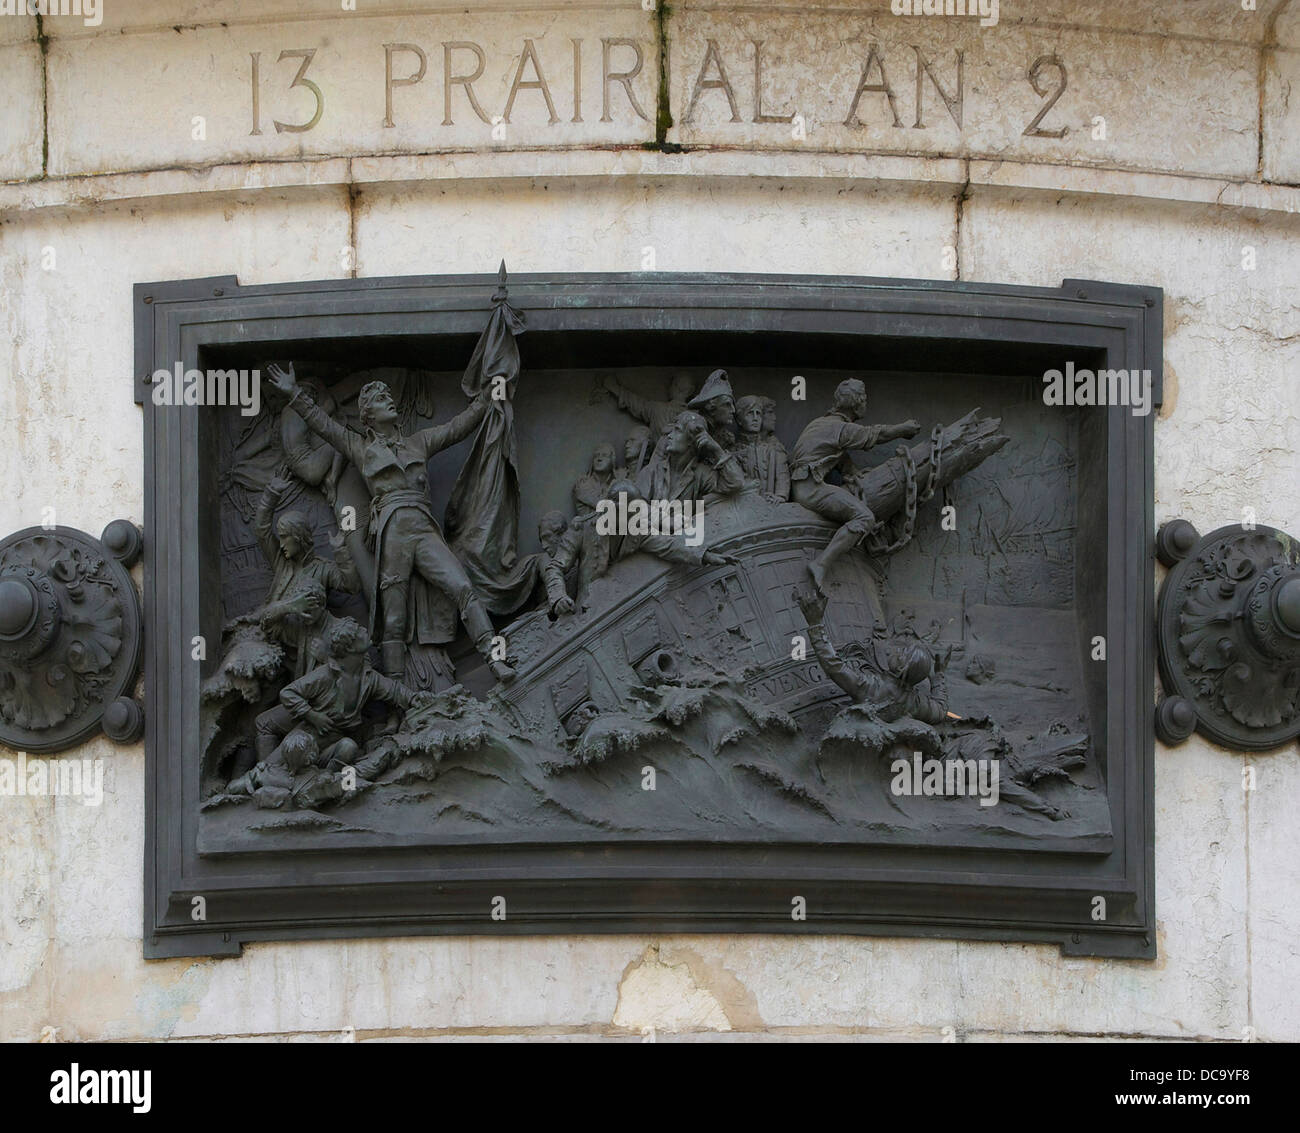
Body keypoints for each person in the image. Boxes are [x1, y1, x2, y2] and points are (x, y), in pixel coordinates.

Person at [265, 362, 515, 683]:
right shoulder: (359, 446)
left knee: (463, 587)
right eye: (381, 399)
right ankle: (400, 701)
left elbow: (459, 425)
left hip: (423, 528)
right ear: (367, 415)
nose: (389, 400)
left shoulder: (419, 442)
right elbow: (323, 425)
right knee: (394, 619)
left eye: (388, 396)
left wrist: (490, 394)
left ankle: (496, 661)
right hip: (393, 531)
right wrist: (294, 393)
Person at [788, 378, 918, 591]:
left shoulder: (821, 423)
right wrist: (903, 429)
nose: (866, 402)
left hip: (804, 485)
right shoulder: (840, 428)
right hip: (810, 489)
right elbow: (874, 434)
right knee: (865, 517)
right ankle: (820, 564)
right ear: (855, 403)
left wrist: (853, 473)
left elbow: (835, 456)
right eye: (864, 398)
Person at [545, 480, 738, 615]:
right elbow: (555, 567)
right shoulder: (583, 528)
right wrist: (558, 598)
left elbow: (667, 546)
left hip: (621, 603)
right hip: (587, 609)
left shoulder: (636, 527)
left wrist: (705, 556)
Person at [251, 472, 358, 607]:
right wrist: (270, 495)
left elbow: (352, 586)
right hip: (277, 624)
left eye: (284, 537)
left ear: (299, 536)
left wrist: (340, 550)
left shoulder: (323, 569)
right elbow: (262, 530)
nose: (281, 545)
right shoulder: (281, 563)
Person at [602, 372, 696, 441]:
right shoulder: (696, 417)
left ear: (675, 386)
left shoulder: (657, 409)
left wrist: (615, 388)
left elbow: (637, 404)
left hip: (657, 464)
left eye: (671, 384)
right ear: (690, 392)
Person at [734, 394, 790, 501]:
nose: (755, 418)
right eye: (750, 413)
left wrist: (780, 496)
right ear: (739, 420)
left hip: (770, 505)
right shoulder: (733, 452)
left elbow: (782, 476)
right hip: (743, 507)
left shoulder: (773, 450)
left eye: (758, 414)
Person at [686, 368, 738, 449]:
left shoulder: (728, 439)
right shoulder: (688, 430)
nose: (733, 410)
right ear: (710, 407)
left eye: (732, 405)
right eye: (727, 404)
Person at [573, 443, 617, 515]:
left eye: (604, 455)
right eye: (596, 456)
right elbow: (603, 506)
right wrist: (618, 482)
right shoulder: (582, 483)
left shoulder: (613, 483)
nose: (599, 459)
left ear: (613, 461)